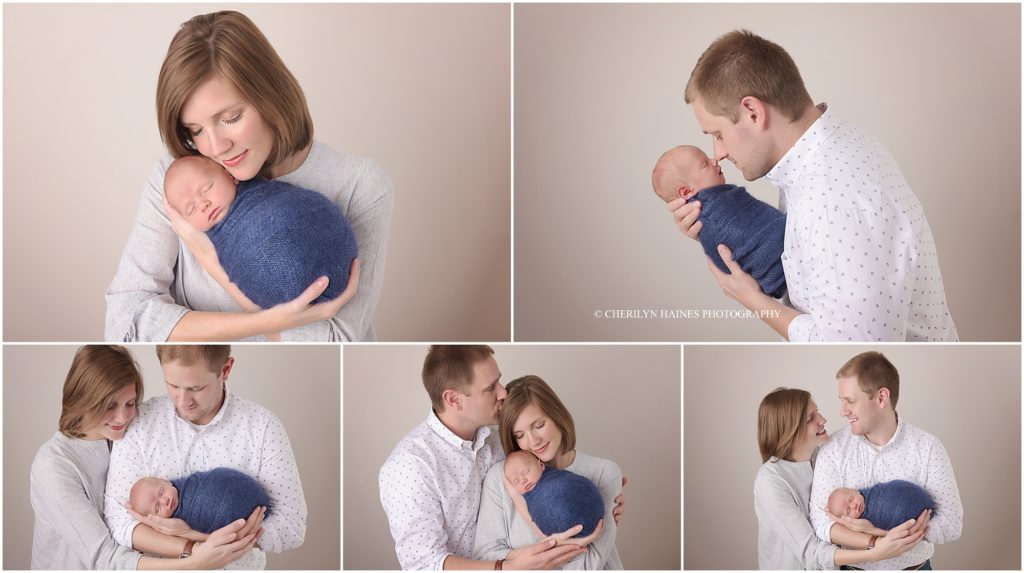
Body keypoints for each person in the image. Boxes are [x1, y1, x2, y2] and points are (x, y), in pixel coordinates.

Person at [105, 10, 393, 342]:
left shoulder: (360, 185)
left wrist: (216, 265)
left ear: (269, 94)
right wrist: (269, 323)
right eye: (195, 130)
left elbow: (338, 341)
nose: (215, 147)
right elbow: (124, 321)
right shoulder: (178, 182)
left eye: (230, 117)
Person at [673, 29, 957, 342]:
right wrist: (715, 224)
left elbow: (851, 346)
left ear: (753, 112)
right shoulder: (838, 141)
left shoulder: (830, 200)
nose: (719, 153)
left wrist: (751, 299)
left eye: (717, 134)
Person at [379, 346, 623, 570]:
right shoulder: (409, 467)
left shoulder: (502, 442)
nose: (503, 392)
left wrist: (599, 493)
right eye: (490, 388)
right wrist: (507, 567)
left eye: (499, 381)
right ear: (454, 399)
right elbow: (424, 565)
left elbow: (558, 474)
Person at [30, 345, 258, 570]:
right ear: (83, 399)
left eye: (130, 403)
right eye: (109, 406)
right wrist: (194, 559)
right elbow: (104, 558)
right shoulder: (54, 466)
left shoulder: (127, 439)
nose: (123, 417)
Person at [104, 345, 308, 568]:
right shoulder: (140, 425)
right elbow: (118, 522)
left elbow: (292, 526)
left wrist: (193, 534)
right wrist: (190, 548)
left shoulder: (262, 427)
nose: (183, 401)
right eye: (173, 385)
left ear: (226, 369)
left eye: (196, 388)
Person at [809, 352, 963, 570]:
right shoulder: (832, 449)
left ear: (882, 397)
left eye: (850, 401)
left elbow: (952, 524)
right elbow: (821, 521)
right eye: (841, 401)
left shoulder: (928, 448)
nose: (842, 411)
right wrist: (875, 541)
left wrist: (880, 532)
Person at [754, 387, 925, 570]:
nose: (823, 420)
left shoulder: (824, 455)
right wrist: (875, 551)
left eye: (817, 412)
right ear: (789, 430)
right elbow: (811, 552)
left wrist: (882, 533)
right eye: (811, 418)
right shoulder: (771, 482)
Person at [162, 155, 358, 309]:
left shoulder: (262, 193)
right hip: (298, 297)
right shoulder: (210, 236)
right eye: (190, 209)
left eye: (206, 188)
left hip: (333, 248)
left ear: (229, 175)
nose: (203, 204)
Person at [474, 375, 622, 570]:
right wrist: (552, 547)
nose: (534, 441)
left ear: (556, 415)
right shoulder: (501, 479)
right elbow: (485, 557)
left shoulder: (604, 472)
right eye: (520, 435)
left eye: (539, 425)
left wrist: (527, 553)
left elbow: (589, 566)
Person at [652, 144, 786, 298]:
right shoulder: (710, 218)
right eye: (704, 164)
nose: (714, 160)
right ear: (687, 191)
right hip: (779, 265)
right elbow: (732, 239)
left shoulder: (720, 202)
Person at [129, 467, 271, 533]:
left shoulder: (187, 483)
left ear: (166, 481)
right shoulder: (172, 523)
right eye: (158, 508)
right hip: (236, 519)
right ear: (154, 517)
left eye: (162, 492)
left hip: (232, 484)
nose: (165, 501)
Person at [503, 450, 605, 538]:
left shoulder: (554, 477)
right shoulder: (523, 496)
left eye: (525, 472)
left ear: (541, 465)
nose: (523, 480)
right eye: (516, 481)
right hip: (567, 535)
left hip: (589, 511)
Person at [828, 481, 934, 529]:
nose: (854, 506)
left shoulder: (873, 492)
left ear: (854, 490)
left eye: (851, 499)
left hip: (911, 494)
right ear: (846, 519)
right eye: (848, 511)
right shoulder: (859, 524)